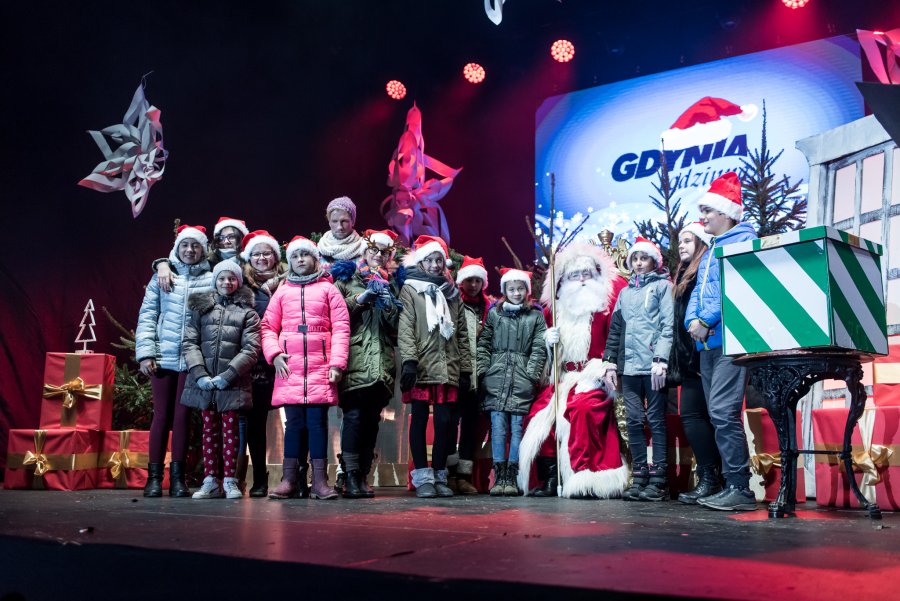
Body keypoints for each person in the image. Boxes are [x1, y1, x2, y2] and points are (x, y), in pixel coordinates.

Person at [518, 243, 628, 499]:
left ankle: (585, 476)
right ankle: (550, 477)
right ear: (564, 280)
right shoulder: (553, 311)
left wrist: (602, 370)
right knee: (539, 413)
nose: (581, 280)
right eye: (574, 275)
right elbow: (543, 359)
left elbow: (615, 346)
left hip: (596, 377)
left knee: (583, 408)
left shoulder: (606, 310)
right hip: (562, 377)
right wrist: (548, 343)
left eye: (586, 274)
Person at [684, 171, 758, 511]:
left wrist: (705, 320)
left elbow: (734, 288)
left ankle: (740, 489)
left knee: (724, 412)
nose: (703, 217)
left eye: (707, 211)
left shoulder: (741, 243)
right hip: (708, 345)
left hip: (730, 341)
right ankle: (730, 484)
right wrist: (692, 322)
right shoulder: (714, 248)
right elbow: (700, 292)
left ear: (726, 213)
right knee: (718, 414)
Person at [261, 236, 351, 500]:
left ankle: (320, 481)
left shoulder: (328, 290)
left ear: (315, 259)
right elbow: (267, 327)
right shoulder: (282, 291)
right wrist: (275, 354)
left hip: (320, 367)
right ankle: (290, 478)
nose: (301, 260)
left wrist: (337, 363)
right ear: (290, 261)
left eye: (305, 255)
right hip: (290, 369)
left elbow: (341, 328)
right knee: (294, 424)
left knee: (317, 424)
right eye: (296, 256)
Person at [135, 225, 214, 498]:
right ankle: (154, 477)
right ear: (177, 248)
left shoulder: (211, 278)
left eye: (195, 246)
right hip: (163, 357)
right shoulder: (162, 276)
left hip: (192, 360)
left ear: (203, 249)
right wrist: (146, 353)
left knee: (183, 416)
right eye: (185, 245)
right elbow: (147, 315)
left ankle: (178, 478)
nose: (190, 250)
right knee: (161, 415)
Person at [180, 260, 261, 499]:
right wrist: (200, 374)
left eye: (232, 278)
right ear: (215, 280)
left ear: (238, 281)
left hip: (231, 383)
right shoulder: (201, 308)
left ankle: (229, 480)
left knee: (231, 433)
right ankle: (210, 480)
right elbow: (190, 342)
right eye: (222, 278)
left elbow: (251, 349)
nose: (227, 282)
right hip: (204, 382)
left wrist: (228, 376)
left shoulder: (247, 312)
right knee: (208, 431)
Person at [331, 229, 403, 499]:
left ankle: (362, 475)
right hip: (354, 359)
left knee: (372, 420)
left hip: (382, 363)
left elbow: (397, 326)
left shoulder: (392, 283)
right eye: (373, 250)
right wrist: (361, 300)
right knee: (353, 417)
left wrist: (388, 304)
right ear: (364, 251)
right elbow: (336, 315)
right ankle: (348, 476)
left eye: (384, 252)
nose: (378, 256)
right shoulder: (347, 280)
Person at [398, 235, 472, 498]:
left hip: (447, 365)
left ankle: (440, 474)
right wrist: (409, 361)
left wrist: (465, 369)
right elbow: (406, 326)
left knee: (445, 423)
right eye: (429, 259)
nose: (433, 265)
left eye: (438, 260)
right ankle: (422, 477)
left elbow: (461, 333)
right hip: (421, 366)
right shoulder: (410, 289)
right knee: (418, 420)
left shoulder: (452, 293)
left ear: (444, 263)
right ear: (421, 261)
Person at [603, 238, 674, 502]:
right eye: (635, 259)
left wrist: (661, 359)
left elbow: (668, 325)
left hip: (653, 367)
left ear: (654, 261)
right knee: (633, 420)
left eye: (644, 259)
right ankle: (640, 474)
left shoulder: (663, 287)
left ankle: (659, 479)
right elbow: (616, 329)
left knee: (655, 420)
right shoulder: (625, 293)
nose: (639, 263)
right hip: (629, 368)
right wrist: (610, 361)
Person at [477, 268, 547, 496]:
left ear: (526, 291)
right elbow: (484, 342)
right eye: (511, 289)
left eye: (520, 289)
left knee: (517, 428)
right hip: (496, 377)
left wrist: (531, 374)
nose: (516, 293)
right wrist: (484, 370)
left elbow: (538, 348)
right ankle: (499, 475)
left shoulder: (535, 317)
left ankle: (513, 476)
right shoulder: (495, 314)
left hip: (521, 379)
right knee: (498, 428)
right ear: (505, 290)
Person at [669, 222, 722, 504]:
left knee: (698, 417)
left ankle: (712, 478)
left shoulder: (702, 274)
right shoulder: (685, 275)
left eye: (688, 241)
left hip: (701, 354)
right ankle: (711, 476)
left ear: (701, 243)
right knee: (693, 417)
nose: (682, 246)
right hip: (689, 359)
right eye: (680, 242)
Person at [238, 229, 287, 497]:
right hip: (255, 363)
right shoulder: (243, 285)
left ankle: (296, 476)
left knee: (294, 422)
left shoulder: (288, 282)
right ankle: (259, 478)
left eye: (266, 253)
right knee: (255, 423)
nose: (261, 258)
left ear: (275, 256)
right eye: (256, 253)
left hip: (285, 359)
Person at [452, 255, 492, 494]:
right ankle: (448, 474)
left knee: (470, 427)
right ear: (462, 282)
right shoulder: (455, 303)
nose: (474, 285)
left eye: (478, 280)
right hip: (458, 374)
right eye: (470, 280)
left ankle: (464, 476)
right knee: (449, 426)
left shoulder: (489, 308)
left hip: (480, 378)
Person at [154, 217, 249, 293]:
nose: (226, 241)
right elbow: (180, 261)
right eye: (221, 237)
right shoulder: (210, 259)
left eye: (231, 237)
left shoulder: (251, 260)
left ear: (241, 237)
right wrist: (162, 265)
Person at [317, 196, 367, 268]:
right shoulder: (319, 249)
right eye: (334, 221)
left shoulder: (364, 248)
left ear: (353, 222)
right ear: (329, 222)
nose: (339, 227)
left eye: (344, 221)